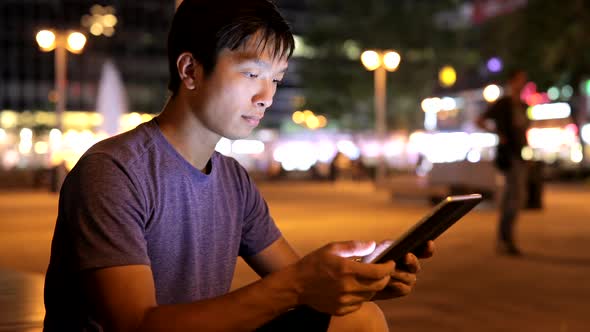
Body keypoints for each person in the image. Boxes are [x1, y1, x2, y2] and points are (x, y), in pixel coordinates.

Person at [43, 1, 435, 331]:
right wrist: (299, 286)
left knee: (359, 318)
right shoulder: (114, 172)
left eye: (277, 80)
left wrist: (358, 282)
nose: (266, 96)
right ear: (190, 70)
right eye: (252, 74)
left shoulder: (233, 180)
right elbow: (136, 325)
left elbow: (295, 277)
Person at [477, 69, 530, 256]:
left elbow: (524, 131)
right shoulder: (503, 104)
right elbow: (480, 120)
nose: (521, 84)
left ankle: (505, 239)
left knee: (514, 197)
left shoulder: (523, 105)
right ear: (511, 82)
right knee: (514, 198)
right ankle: (505, 239)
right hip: (508, 156)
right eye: (519, 80)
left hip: (519, 155)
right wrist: (498, 134)